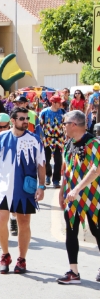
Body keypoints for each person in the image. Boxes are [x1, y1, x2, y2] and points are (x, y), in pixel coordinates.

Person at [0, 107, 46, 274]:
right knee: (0, 220)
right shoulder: (1, 138)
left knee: (24, 223)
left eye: (27, 118)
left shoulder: (34, 140)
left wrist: (41, 186)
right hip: (3, 187)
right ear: (13, 120)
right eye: (22, 118)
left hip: (25, 188)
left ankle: (22, 259)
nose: (26, 121)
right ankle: (5, 254)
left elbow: (41, 165)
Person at [57, 110, 100, 284]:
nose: (63, 127)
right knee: (71, 231)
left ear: (74, 124)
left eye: (65, 123)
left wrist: (77, 189)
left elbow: (96, 169)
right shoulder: (68, 144)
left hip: (93, 197)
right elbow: (66, 171)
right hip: (72, 198)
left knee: (97, 231)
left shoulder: (94, 143)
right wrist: (62, 191)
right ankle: (73, 272)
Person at [39, 95, 66, 187]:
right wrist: (41, 137)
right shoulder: (44, 112)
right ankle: (48, 175)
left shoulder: (63, 112)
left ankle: (56, 180)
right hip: (47, 138)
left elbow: (66, 125)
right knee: (46, 159)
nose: (60, 104)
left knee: (58, 160)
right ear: (54, 103)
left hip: (59, 138)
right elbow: (40, 126)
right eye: (59, 102)